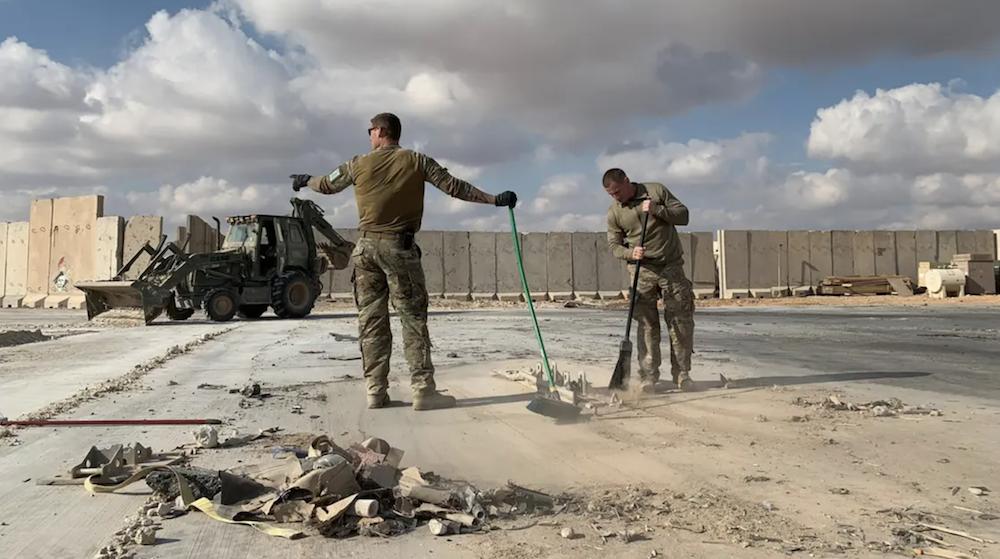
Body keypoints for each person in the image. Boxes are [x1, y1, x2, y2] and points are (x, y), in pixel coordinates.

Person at [289, 112, 517, 411]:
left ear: (381, 131)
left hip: (365, 250)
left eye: (370, 130)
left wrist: (306, 181)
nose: (369, 136)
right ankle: (423, 390)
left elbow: (327, 184)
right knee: (412, 319)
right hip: (399, 249)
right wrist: (494, 200)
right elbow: (454, 187)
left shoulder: (356, 164)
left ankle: (375, 391)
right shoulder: (417, 161)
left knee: (371, 323)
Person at [603, 168, 694, 391]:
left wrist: (657, 210)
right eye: (611, 195)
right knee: (646, 325)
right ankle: (648, 376)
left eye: (617, 192)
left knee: (680, 321)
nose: (616, 197)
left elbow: (683, 216)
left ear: (626, 181)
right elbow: (614, 245)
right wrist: (629, 253)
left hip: (670, 267)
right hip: (641, 270)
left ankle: (682, 374)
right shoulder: (615, 212)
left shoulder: (655, 191)